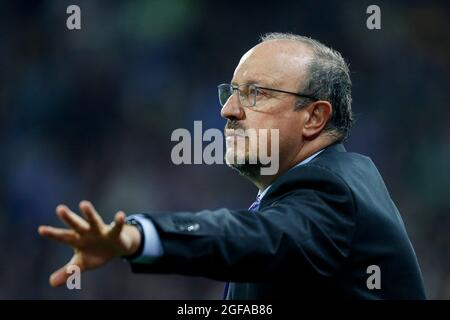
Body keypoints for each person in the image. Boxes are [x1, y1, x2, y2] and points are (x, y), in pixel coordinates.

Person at [38, 33, 426, 299]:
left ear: (314, 118)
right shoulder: (326, 184)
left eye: (255, 94)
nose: (227, 111)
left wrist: (140, 237)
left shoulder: (333, 192)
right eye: (232, 92)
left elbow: (248, 236)